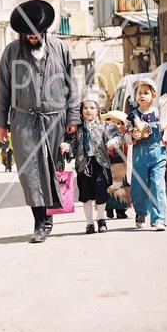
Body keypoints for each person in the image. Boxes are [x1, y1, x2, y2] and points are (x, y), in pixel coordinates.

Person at [0, 0, 80, 243]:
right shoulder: (10, 52)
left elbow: (72, 86)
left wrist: (73, 117)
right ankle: (41, 223)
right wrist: (0, 123)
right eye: (26, 34)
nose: (31, 37)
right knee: (29, 173)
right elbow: (3, 89)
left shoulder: (61, 49)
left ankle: (49, 216)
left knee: (52, 169)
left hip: (55, 120)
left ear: (44, 31)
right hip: (23, 121)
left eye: (35, 33)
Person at [60, 91, 122, 234]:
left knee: (101, 192)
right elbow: (73, 144)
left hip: (100, 164)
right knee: (86, 195)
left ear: (98, 111)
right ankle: (89, 223)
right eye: (85, 107)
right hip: (84, 164)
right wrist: (68, 146)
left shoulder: (106, 126)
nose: (88, 110)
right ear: (81, 111)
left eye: (92, 108)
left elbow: (117, 136)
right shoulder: (78, 129)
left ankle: (101, 219)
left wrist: (113, 141)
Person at [127, 78, 167, 231]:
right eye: (139, 93)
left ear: (154, 95)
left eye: (146, 93)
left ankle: (159, 219)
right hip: (139, 155)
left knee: (158, 186)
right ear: (136, 96)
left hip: (158, 153)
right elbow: (125, 134)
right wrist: (133, 136)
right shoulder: (133, 115)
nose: (142, 96)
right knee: (138, 188)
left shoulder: (161, 112)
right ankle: (140, 213)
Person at [101, 110, 130, 219]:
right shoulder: (104, 136)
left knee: (122, 189)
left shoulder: (125, 137)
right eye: (112, 122)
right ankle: (108, 209)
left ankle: (121, 210)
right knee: (108, 188)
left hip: (121, 166)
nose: (115, 125)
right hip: (108, 166)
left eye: (118, 123)